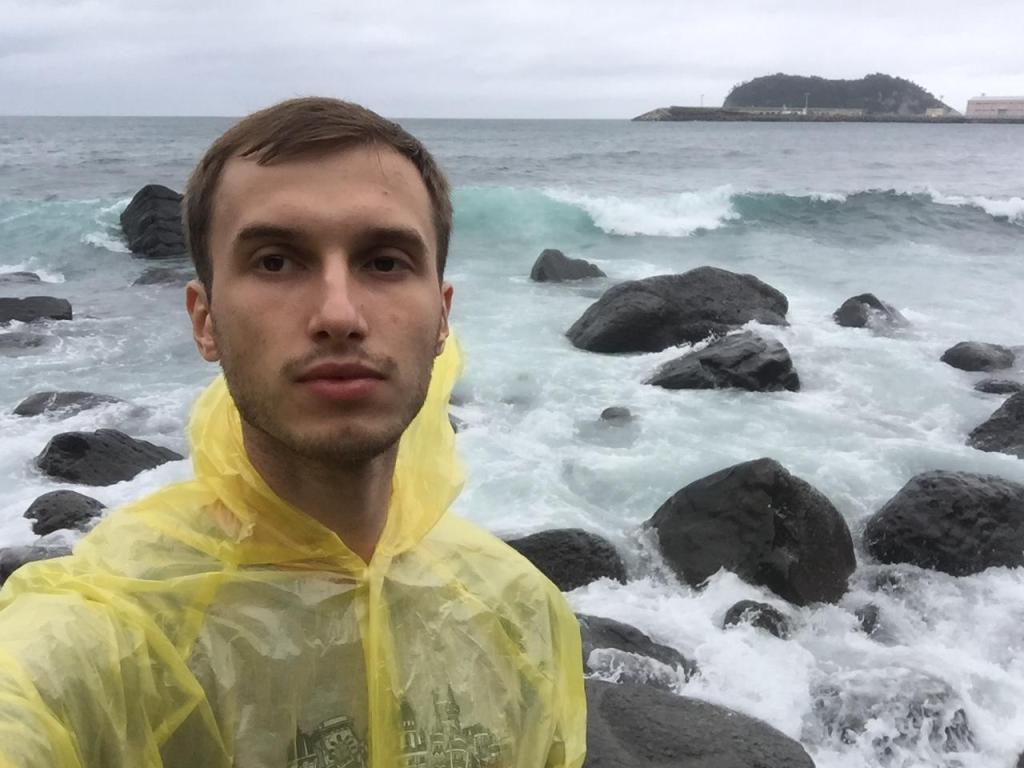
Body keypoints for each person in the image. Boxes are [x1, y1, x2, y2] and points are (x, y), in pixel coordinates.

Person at [0, 98, 586, 767]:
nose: (339, 314)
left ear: (442, 317)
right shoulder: (109, 626)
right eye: (276, 262)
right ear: (204, 320)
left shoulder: (520, 612)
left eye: (385, 262)